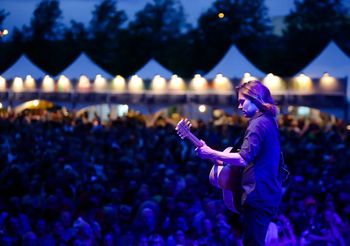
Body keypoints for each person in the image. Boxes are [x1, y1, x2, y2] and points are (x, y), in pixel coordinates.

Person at [196, 80, 282, 245]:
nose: (239, 106)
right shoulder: (269, 121)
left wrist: (211, 152)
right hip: (265, 195)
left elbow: (243, 158)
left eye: (242, 101)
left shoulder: (258, 124)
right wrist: (214, 155)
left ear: (255, 99)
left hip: (258, 196)